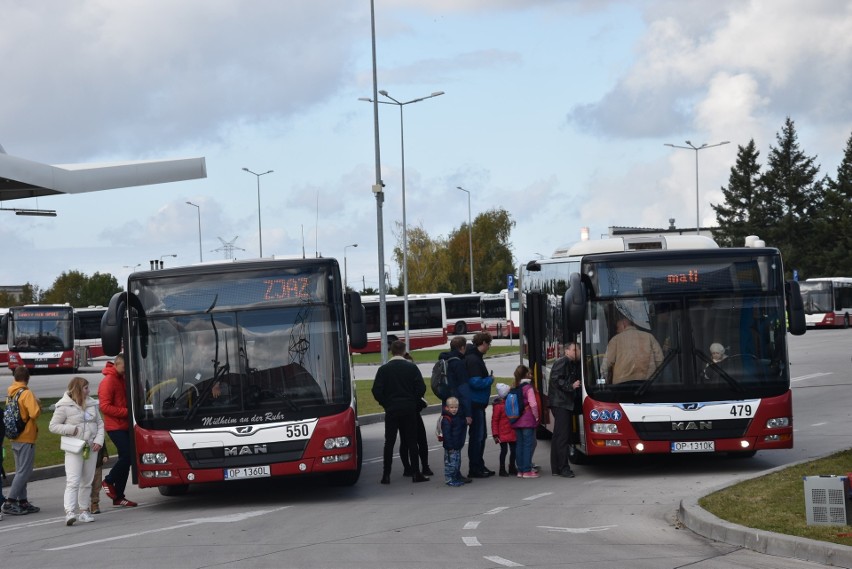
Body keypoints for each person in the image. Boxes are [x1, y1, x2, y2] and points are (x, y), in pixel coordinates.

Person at [49, 377, 105, 526]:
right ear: (78, 389)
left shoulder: (92, 404)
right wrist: (72, 429)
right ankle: (69, 512)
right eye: (86, 388)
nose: (89, 391)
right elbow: (53, 426)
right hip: (74, 448)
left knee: (87, 481)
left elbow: (100, 424)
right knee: (73, 481)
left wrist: (99, 441)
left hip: (91, 447)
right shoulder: (64, 406)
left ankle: (84, 511)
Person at [372, 340, 429, 484]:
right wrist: (413, 401)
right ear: (404, 351)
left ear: (391, 351)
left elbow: (376, 390)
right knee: (411, 441)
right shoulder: (411, 368)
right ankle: (416, 473)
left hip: (391, 409)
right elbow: (421, 388)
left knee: (389, 442)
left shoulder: (384, 370)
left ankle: (386, 475)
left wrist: (386, 403)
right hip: (409, 409)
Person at [99, 353, 138, 507]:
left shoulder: (122, 379)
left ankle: (119, 496)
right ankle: (108, 481)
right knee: (127, 456)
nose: (125, 370)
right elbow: (104, 406)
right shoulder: (109, 381)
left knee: (127, 458)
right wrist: (127, 412)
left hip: (124, 425)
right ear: (117, 364)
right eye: (124, 367)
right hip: (115, 426)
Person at [2, 366, 42, 516]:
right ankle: (10, 502)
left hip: (14, 436)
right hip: (26, 436)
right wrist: (37, 403)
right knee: (24, 471)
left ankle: (23, 500)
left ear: (15, 377)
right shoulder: (26, 393)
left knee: (21, 470)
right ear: (28, 378)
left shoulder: (11, 394)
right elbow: (34, 413)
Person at [464, 332, 495, 478]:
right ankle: (475, 468)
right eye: (488, 344)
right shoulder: (473, 359)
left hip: (478, 403)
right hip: (475, 403)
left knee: (480, 436)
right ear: (482, 343)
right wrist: (490, 380)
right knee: (478, 436)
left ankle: (479, 465)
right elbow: (475, 382)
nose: (489, 347)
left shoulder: (474, 357)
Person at [399, 352, 434, 477]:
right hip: (411, 411)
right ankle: (421, 467)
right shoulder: (412, 375)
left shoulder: (398, 376)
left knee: (407, 441)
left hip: (402, 411)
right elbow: (421, 389)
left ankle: (410, 468)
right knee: (418, 440)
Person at [548, 342, 581, 478]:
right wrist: (571, 386)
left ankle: (556, 467)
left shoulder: (569, 363)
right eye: (574, 350)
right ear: (567, 351)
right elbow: (556, 380)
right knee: (562, 436)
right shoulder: (563, 362)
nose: (577, 352)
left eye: (577, 350)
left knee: (558, 436)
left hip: (562, 403)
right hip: (561, 403)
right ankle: (563, 467)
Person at [604, 314, 664, 384]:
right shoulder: (649, 337)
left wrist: (604, 380)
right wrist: (655, 378)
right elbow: (660, 360)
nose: (617, 331)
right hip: (646, 384)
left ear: (624, 324)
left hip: (622, 385)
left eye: (617, 327)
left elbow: (607, 362)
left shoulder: (615, 340)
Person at [511, 365, 540, 478]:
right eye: (530, 373)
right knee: (528, 445)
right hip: (527, 420)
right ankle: (527, 470)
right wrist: (536, 417)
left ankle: (520, 470)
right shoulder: (528, 388)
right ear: (526, 375)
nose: (531, 375)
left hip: (516, 419)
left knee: (519, 445)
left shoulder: (514, 386)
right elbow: (533, 404)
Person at [491, 383, 517, 477]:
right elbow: (494, 420)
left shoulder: (509, 402)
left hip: (510, 431)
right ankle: (502, 468)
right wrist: (495, 434)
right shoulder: (499, 406)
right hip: (503, 433)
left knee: (514, 450)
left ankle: (512, 466)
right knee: (504, 451)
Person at [440, 397, 467, 487]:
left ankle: (455, 477)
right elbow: (446, 435)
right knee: (450, 464)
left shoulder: (457, 417)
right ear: (447, 408)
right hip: (451, 447)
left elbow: (460, 425)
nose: (454, 409)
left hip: (457, 445)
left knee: (457, 463)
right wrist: (450, 446)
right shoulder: (446, 420)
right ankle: (449, 479)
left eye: (456, 407)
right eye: (452, 407)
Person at [89, 443, 109, 514]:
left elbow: (102, 442)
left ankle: (94, 504)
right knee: (85, 485)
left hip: (97, 463)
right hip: (84, 462)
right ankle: (83, 506)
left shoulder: (98, 432)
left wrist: (105, 455)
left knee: (97, 485)